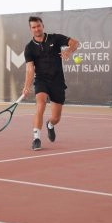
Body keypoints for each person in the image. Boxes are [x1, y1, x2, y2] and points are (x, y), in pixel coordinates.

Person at [22, 16, 79, 150]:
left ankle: (50, 125)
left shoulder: (55, 38)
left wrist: (68, 50)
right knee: (40, 105)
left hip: (57, 81)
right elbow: (30, 69)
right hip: (41, 80)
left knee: (56, 117)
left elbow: (75, 43)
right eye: (33, 27)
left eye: (38, 26)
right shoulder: (29, 48)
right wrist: (27, 86)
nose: (37, 29)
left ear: (43, 26)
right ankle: (36, 138)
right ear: (30, 29)